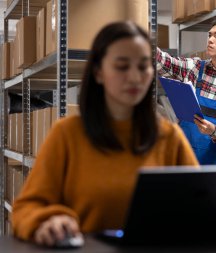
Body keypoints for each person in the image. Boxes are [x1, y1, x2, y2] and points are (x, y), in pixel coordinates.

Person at [11, 21, 199, 246]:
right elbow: (25, 209)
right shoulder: (67, 134)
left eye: (143, 66)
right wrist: (47, 221)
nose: (134, 77)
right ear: (99, 72)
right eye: (122, 66)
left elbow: (200, 203)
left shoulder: (168, 137)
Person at [157, 18, 216, 165]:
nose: (210, 40)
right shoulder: (195, 67)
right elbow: (164, 62)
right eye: (209, 35)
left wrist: (214, 130)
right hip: (182, 158)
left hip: (213, 164)